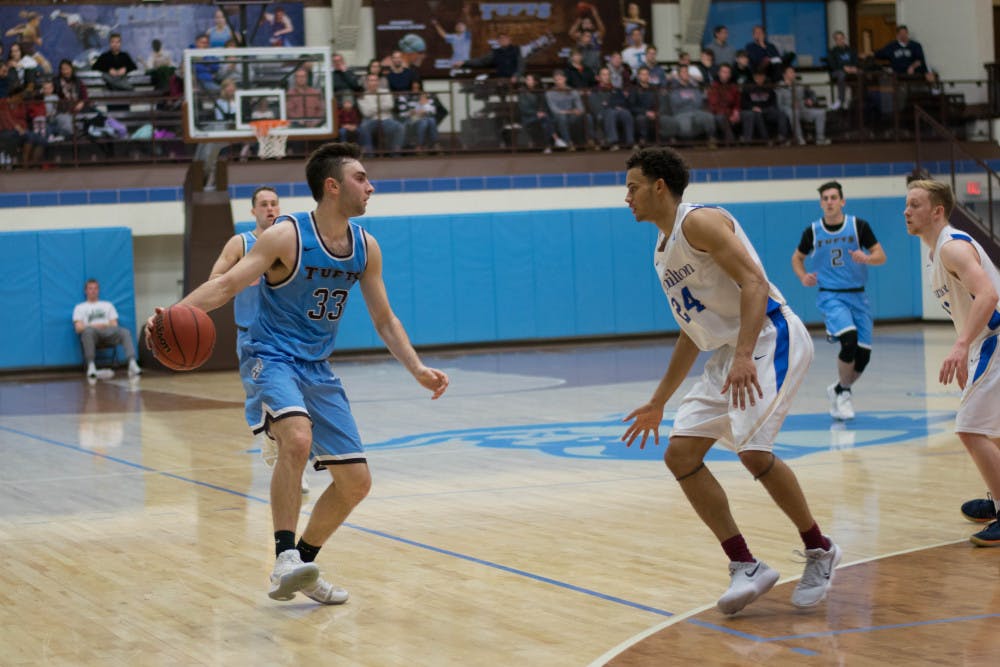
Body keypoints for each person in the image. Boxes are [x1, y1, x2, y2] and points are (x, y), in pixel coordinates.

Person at [144, 142, 450, 604]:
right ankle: (284, 555)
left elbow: (385, 320)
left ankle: (303, 565)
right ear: (332, 187)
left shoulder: (366, 247)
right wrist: (173, 315)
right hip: (270, 355)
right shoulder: (286, 236)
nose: (371, 187)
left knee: (356, 483)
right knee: (298, 439)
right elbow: (226, 284)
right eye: (361, 178)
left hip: (317, 366)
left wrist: (417, 368)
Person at [621, 146, 841, 614]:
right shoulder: (661, 253)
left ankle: (820, 548)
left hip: (768, 333)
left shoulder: (698, 222)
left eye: (633, 187)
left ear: (660, 186)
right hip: (728, 350)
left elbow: (755, 283)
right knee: (680, 454)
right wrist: (660, 400)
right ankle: (746, 564)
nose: (627, 198)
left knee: (753, 451)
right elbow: (691, 331)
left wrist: (744, 353)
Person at [904, 179, 1000, 547]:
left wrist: (961, 345)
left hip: (995, 338)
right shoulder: (934, 255)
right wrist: (965, 347)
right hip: (984, 342)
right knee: (989, 429)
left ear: (937, 211)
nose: (906, 211)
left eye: (914, 205)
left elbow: (988, 295)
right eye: (907, 205)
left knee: (970, 428)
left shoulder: (953, 248)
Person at [791, 181, 886, 420]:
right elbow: (797, 258)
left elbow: (880, 256)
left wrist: (866, 258)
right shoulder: (812, 231)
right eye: (825, 198)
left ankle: (838, 389)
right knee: (849, 339)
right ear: (821, 203)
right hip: (831, 295)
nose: (830, 202)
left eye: (834, 197)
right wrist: (803, 276)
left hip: (858, 295)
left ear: (842, 201)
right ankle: (844, 393)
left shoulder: (858, 226)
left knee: (863, 357)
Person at [74, 278, 141, 380]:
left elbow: (114, 324)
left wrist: (104, 325)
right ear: (86, 291)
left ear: (98, 290)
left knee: (124, 332)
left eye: (95, 288)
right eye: (90, 288)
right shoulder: (80, 307)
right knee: (87, 332)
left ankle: (132, 363)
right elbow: (78, 328)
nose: (93, 291)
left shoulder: (107, 305)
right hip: (92, 333)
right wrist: (93, 326)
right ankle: (91, 366)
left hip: (108, 332)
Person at [775, 66, 829, 146]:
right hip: (788, 109)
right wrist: (791, 105)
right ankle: (799, 138)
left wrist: (810, 100)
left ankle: (820, 139)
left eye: (793, 72)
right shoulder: (780, 86)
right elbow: (779, 104)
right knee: (794, 112)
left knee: (820, 113)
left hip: (802, 108)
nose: (793, 74)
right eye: (790, 72)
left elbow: (812, 94)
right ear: (784, 75)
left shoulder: (799, 85)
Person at [430, 2, 473, 67]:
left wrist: (466, 13)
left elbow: (469, 25)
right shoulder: (453, 37)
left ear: (465, 27)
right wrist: (436, 24)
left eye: (461, 25)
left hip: (464, 62)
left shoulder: (467, 36)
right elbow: (443, 34)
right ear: (455, 28)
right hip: (454, 62)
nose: (459, 26)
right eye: (458, 25)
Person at [827, 30, 859, 111]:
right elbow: (833, 65)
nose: (840, 40)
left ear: (844, 38)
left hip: (850, 71)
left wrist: (853, 67)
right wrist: (844, 68)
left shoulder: (851, 50)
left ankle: (859, 100)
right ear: (835, 41)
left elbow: (855, 61)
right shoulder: (832, 51)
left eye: (841, 38)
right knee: (841, 74)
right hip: (836, 72)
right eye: (837, 39)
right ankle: (840, 100)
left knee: (861, 73)